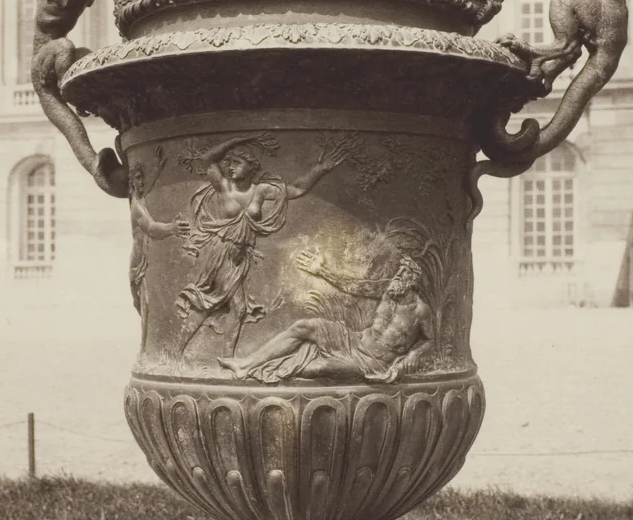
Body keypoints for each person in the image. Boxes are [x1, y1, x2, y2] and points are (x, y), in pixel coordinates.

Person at [175, 133, 358, 357]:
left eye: (237, 162)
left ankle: (218, 358)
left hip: (239, 258)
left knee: (230, 308)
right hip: (220, 253)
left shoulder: (260, 191)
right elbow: (206, 160)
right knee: (220, 305)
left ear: (251, 166)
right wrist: (236, 140)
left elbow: (297, 189)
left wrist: (321, 168)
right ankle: (195, 354)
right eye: (229, 162)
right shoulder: (224, 187)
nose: (230, 167)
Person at [218, 249, 433, 384]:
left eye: (403, 273)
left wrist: (416, 353)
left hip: (373, 363)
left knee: (318, 368)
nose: (397, 275)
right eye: (398, 271)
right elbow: (355, 286)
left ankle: (270, 371)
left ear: (413, 281)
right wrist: (322, 271)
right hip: (354, 341)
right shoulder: (388, 291)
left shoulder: (420, 311)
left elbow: (430, 340)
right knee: (304, 326)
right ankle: (246, 365)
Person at [128, 166, 188, 350]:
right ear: (131, 182)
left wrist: (158, 164)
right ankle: (147, 347)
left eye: (142, 178)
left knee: (146, 302)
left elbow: (150, 181)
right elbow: (151, 229)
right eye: (138, 178)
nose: (142, 182)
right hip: (138, 262)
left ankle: (148, 346)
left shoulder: (140, 195)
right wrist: (172, 228)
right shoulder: (137, 206)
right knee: (142, 302)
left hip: (145, 258)